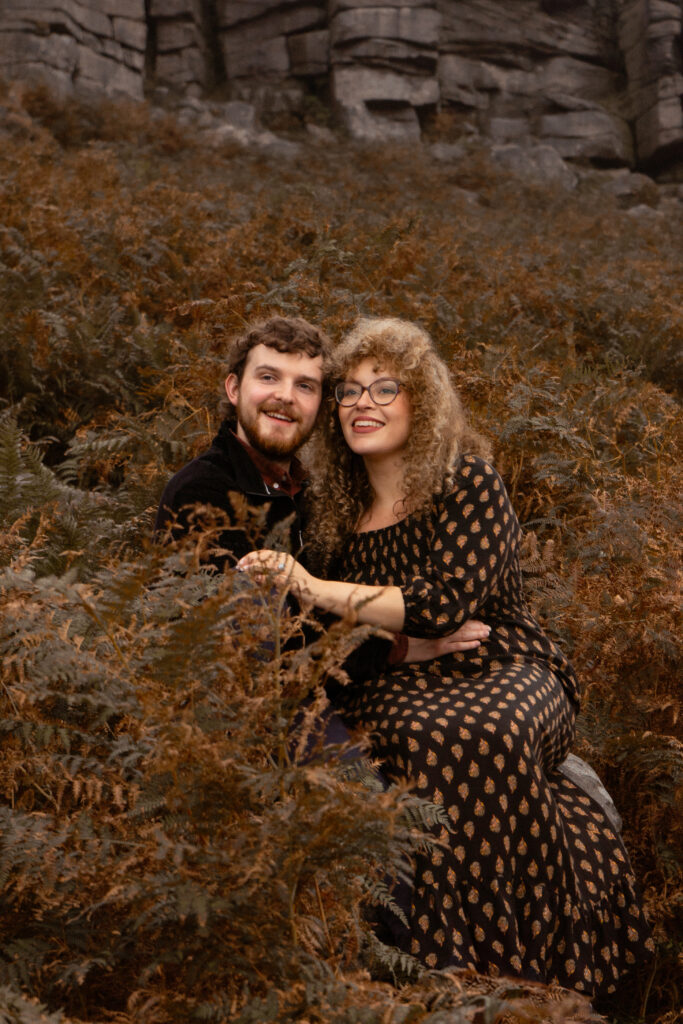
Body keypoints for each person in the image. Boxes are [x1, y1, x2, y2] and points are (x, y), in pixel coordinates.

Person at [238, 316, 654, 999]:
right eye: (348, 391)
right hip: (393, 674)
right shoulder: (330, 510)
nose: (361, 404)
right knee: (425, 741)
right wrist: (363, 625)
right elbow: (314, 630)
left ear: (421, 401)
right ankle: (453, 976)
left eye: (384, 388)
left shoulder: (468, 482)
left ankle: (546, 977)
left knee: (493, 729)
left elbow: (442, 603)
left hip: (502, 662)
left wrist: (314, 586)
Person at [154, 315, 489, 754]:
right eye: (269, 377)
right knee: (369, 808)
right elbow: (263, 637)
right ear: (234, 389)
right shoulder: (202, 492)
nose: (285, 397)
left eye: (305, 386)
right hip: (244, 719)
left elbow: (324, 605)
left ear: (321, 405)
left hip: (329, 693)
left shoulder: (314, 494)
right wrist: (399, 648)